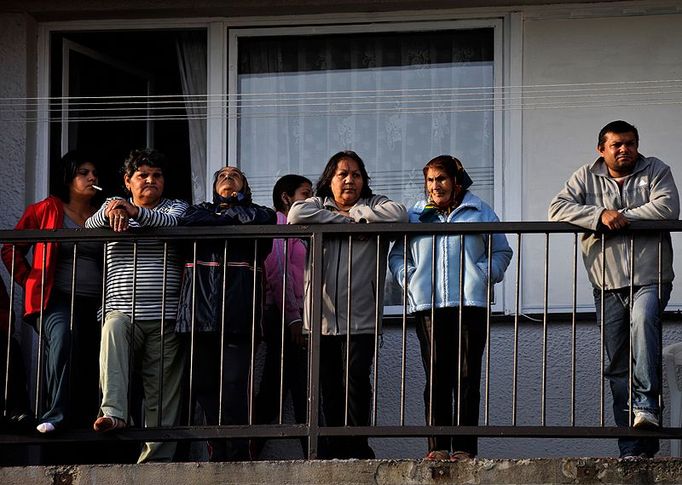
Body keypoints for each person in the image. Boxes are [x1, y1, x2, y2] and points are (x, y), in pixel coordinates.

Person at [549, 120, 680, 458]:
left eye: (631, 143)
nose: (625, 149)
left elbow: (667, 207)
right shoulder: (585, 176)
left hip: (650, 277)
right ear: (601, 149)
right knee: (619, 365)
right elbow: (557, 208)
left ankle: (646, 406)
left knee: (642, 322)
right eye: (617, 144)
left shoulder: (656, 170)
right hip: (606, 283)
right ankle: (634, 447)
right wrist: (599, 215)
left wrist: (619, 217)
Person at [388, 155, 512, 461]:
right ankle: (439, 447)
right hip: (429, 305)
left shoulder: (480, 210)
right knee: (437, 377)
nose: (435, 186)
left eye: (441, 179)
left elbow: (502, 250)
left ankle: (465, 448)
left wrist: (485, 274)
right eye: (430, 180)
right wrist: (410, 277)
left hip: (470, 304)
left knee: (467, 378)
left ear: (457, 181)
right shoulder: (417, 214)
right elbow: (397, 256)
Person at [288, 150, 407, 459]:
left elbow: (400, 215)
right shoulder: (317, 203)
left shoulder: (375, 204)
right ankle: (332, 449)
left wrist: (355, 214)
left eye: (356, 174)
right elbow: (295, 214)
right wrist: (339, 218)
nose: (350, 180)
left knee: (355, 380)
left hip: (362, 316)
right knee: (328, 385)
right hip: (321, 317)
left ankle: (356, 446)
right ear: (330, 179)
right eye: (343, 174)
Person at [85, 148, 188, 463]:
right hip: (123, 311)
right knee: (113, 328)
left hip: (166, 315)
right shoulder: (111, 204)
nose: (151, 181)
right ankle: (114, 412)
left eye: (157, 176)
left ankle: (157, 460)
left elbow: (173, 223)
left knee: (163, 392)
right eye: (142, 175)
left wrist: (134, 213)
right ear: (127, 181)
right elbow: (91, 225)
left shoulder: (176, 206)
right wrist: (116, 208)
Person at [175, 166, 276, 461]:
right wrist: (225, 217)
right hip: (198, 313)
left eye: (235, 175)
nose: (228, 178)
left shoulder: (259, 212)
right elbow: (187, 221)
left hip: (240, 314)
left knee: (234, 385)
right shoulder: (199, 211)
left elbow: (264, 219)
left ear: (245, 185)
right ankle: (217, 447)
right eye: (222, 176)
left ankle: (238, 449)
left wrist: (226, 215)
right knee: (203, 385)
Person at [1, 150, 103, 436]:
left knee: (98, 354)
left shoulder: (103, 214)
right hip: (54, 299)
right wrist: (30, 279)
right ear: (68, 177)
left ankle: (92, 417)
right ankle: (56, 415)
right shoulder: (46, 209)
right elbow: (10, 248)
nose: (92, 177)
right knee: (62, 340)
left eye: (94, 173)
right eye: (84, 172)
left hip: (96, 300)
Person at [252, 174, 312, 458]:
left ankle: (251, 448)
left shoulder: (302, 226)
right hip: (283, 317)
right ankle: (313, 454)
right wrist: (293, 318)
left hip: (299, 315)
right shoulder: (279, 223)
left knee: (291, 385)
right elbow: (277, 272)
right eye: (305, 193)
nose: (311, 199)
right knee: (290, 386)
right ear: (286, 197)